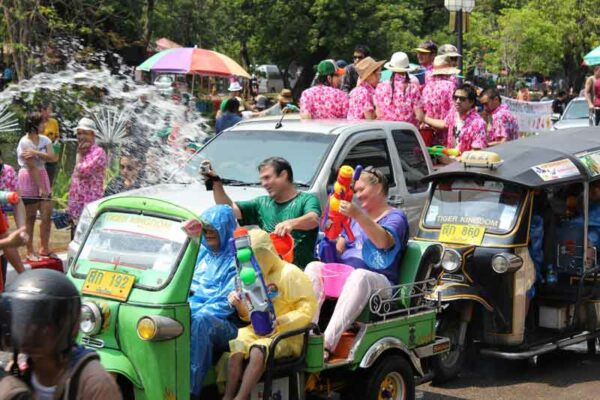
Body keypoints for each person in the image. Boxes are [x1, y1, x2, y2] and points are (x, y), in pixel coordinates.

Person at [305, 167, 409, 359]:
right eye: (356, 191)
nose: (357, 195)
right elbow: (339, 248)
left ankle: (327, 344)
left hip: (380, 282)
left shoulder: (395, 216)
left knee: (359, 275)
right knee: (314, 267)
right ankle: (308, 334)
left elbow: (383, 241)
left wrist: (359, 215)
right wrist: (330, 234)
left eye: (361, 190)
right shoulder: (353, 220)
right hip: (345, 277)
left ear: (378, 188)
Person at [223, 228, 316, 400]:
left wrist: (280, 322)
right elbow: (248, 314)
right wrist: (239, 304)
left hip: (287, 335)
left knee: (259, 350)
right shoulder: (253, 276)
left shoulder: (290, 273)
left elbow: (307, 310)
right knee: (236, 347)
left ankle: (240, 397)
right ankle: (227, 396)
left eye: (256, 258)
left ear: (266, 253)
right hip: (259, 329)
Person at [0, 269, 122, 399]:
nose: (32, 332)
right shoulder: (18, 374)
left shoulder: (94, 384)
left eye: (44, 324)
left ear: (67, 326)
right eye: (25, 322)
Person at [202, 157, 321, 268]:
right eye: (262, 180)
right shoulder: (261, 204)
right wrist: (216, 182)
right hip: (271, 275)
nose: (264, 184)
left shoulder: (306, 199)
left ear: (284, 175)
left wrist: (292, 223)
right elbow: (227, 209)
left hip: (300, 275)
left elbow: (313, 219)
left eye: (267, 178)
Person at [188, 205, 241, 399]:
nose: (208, 233)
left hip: (228, 325)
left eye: (213, 228)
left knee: (202, 321)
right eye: (205, 228)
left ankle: (191, 391)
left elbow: (224, 304)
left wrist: (192, 312)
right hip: (196, 313)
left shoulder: (236, 259)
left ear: (225, 228)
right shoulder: (200, 253)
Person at [16, 113, 57, 260]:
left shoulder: (45, 139)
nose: (45, 125)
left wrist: (35, 152)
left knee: (46, 214)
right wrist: (41, 189)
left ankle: (44, 248)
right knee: (30, 216)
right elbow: (32, 166)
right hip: (28, 177)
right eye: (42, 123)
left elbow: (52, 157)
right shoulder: (24, 142)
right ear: (34, 125)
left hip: (43, 174)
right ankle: (29, 251)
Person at [420, 84, 487, 154]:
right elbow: (444, 124)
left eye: (462, 99)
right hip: (450, 157)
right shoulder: (454, 112)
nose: (457, 101)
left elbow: (476, 152)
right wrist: (424, 119)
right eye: (455, 98)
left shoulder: (478, 123)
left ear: (471, 102)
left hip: (463, 163)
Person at [68, 117, 107, 222]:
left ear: (93, 135)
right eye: (79, 133)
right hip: (77, 203)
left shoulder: (98, 153)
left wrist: (79, 154)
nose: (81, 137)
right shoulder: (82, 150)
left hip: (90, 205)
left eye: (85, 133)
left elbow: (81, 172)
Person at [374, 52, 424, 127]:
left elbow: (378, 113)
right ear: (406, 69)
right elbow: (419, 116)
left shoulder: (381, 87)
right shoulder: (412, 88)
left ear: (391, 69)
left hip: (386, 132)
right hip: (407, 133)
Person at [421, 55, 460, 145]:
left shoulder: (427, 88)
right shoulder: (451, 86)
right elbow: (453, 115)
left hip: (430, 133)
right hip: (446, 134)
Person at [38, 103, 60, 184]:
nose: (51, 112)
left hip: (51, 153)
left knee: (50, 176)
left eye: (51, 109)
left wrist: (56, 142)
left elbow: (57, 136)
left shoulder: (54, 122)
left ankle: (48, 193)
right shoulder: (37, 121)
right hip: (39, 154)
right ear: (42, 110)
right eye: (49, 109)